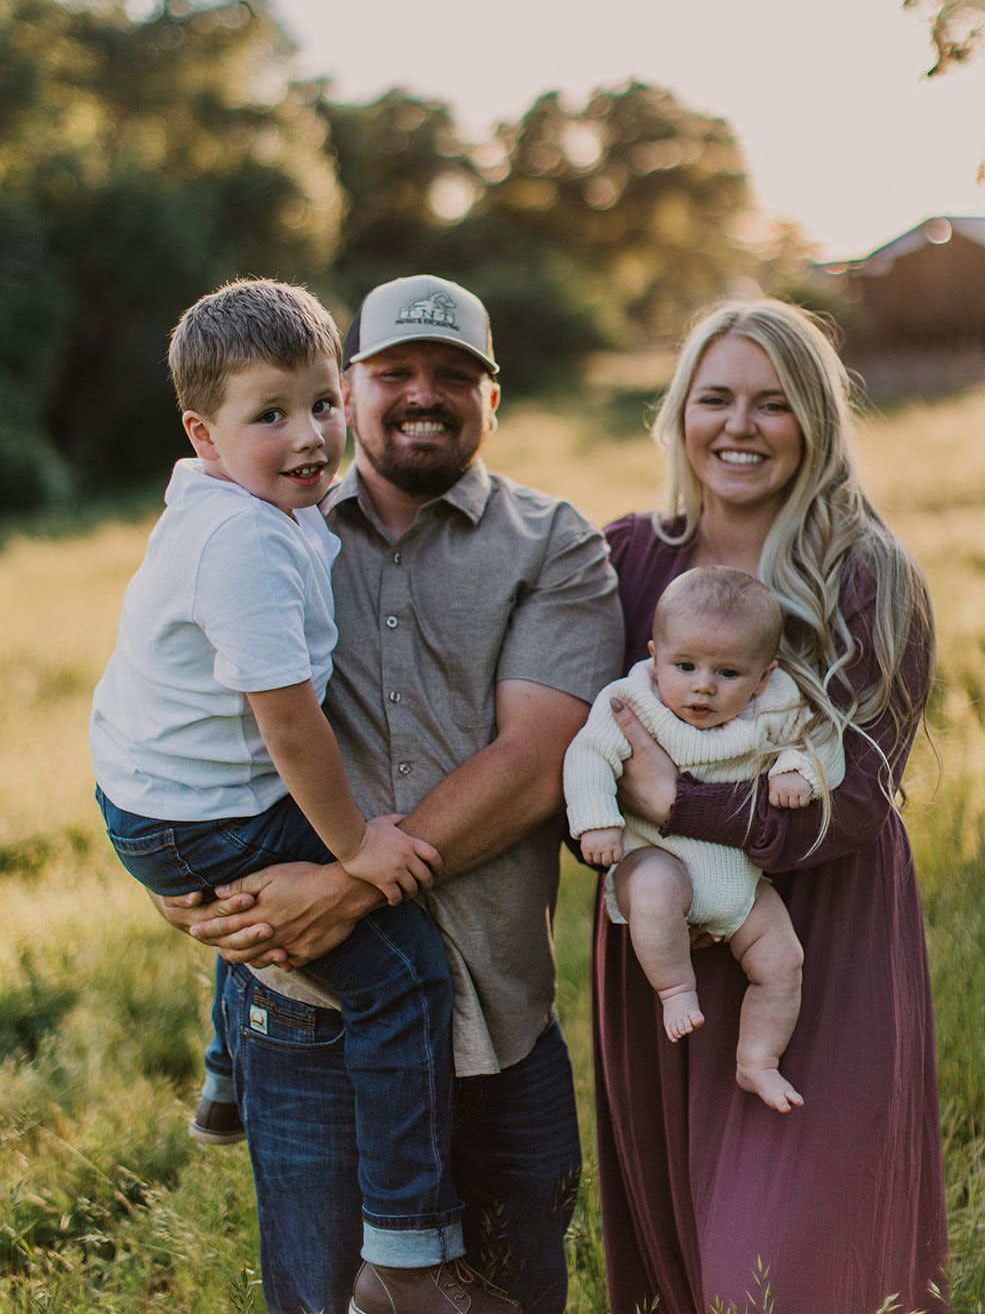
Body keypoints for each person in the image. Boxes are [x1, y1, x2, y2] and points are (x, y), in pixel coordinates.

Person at [154, 273, 625, 1314]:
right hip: (310, 1016)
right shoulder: (260, 526)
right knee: (325, 1301)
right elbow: (169, 700)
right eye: (394, 372)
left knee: (513, 1298)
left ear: (491, 398)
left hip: (499, 1018)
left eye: (454, 375)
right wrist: (168, 878)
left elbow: (535, 757)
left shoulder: (553, 544)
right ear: (351, 387)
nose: (424, 392)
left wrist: (348, 886)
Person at [90, 278, 503, 1305]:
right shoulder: (241, 543)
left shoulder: (244, 505)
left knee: (282, 901)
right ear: (204, 432)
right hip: (198, 808)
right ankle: (407, 1250)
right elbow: (288, 725)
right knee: (403, 974)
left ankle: (229, 1068)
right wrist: (360, 848)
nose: (310, 433)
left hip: (160, 790)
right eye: (268, 414)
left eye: (321, 402)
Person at [594, 298, 949, 1313]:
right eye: (714, 398)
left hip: (821, 945)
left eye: (772, 402)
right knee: (689, 1268)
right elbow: (558, 749)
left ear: (815, 421)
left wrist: (680, 797)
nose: (737, 426)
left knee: (784, 1277)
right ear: (678, 413)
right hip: (661, 947)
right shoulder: (621, 558)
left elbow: (856, 804)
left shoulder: (864, 575)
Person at [564, 566, 844, 1110]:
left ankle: (757, 1060)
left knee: (783, 961)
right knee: (657, 890)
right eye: (685, 666)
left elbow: (822, 738)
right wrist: (596, 819)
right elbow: (589, 755)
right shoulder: (631, 701)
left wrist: (798, 771)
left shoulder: (776, 704)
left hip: (738, 880)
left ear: (764, 676)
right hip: (656, 859)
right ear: (654, 654)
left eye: (729, 673)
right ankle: (676, 990)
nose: (703, 686)